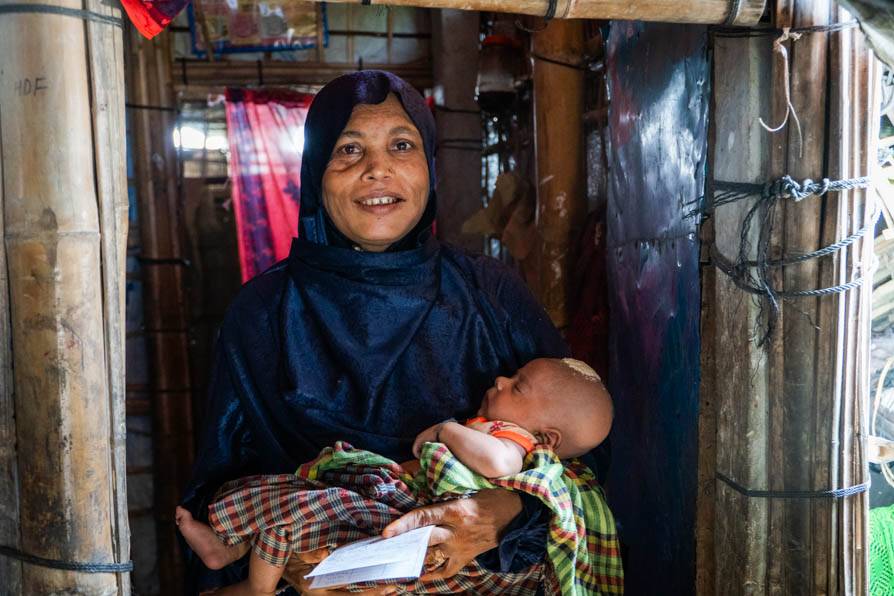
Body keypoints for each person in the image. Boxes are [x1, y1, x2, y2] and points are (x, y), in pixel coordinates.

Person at [179, 70, 591, 595]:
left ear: (428, 167)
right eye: (349, 149)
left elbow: (580, 455)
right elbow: (216, 487)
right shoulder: (262, 311)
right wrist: (288, 562)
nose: (378, 170)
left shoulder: (491, 293)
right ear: (315, 172)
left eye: (402, 145)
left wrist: (503, 512)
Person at [175, 357, 612, 595]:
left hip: (409, 524)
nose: (499, 378)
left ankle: (252, 579)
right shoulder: (262, 310)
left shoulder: (515, 442)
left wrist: (447, 433)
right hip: (379, 498)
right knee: (293, 500)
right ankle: (232, 553)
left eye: (516, 384)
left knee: (304, 513)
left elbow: (517, 479)